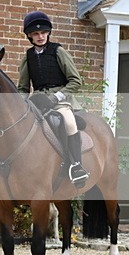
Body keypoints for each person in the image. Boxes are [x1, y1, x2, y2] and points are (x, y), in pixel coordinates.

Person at [16, 11, 90, 188]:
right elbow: (23, 87)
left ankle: (76, 166)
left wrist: (57, 96)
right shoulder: (28, 57)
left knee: (69, 123)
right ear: (30, 36)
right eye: (35, 33)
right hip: (37, 101)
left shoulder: (58, 51)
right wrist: (20, 103)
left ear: (48, 33)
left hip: (61, 100)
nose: (40, 36)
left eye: (43, 33)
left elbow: (76, 80)